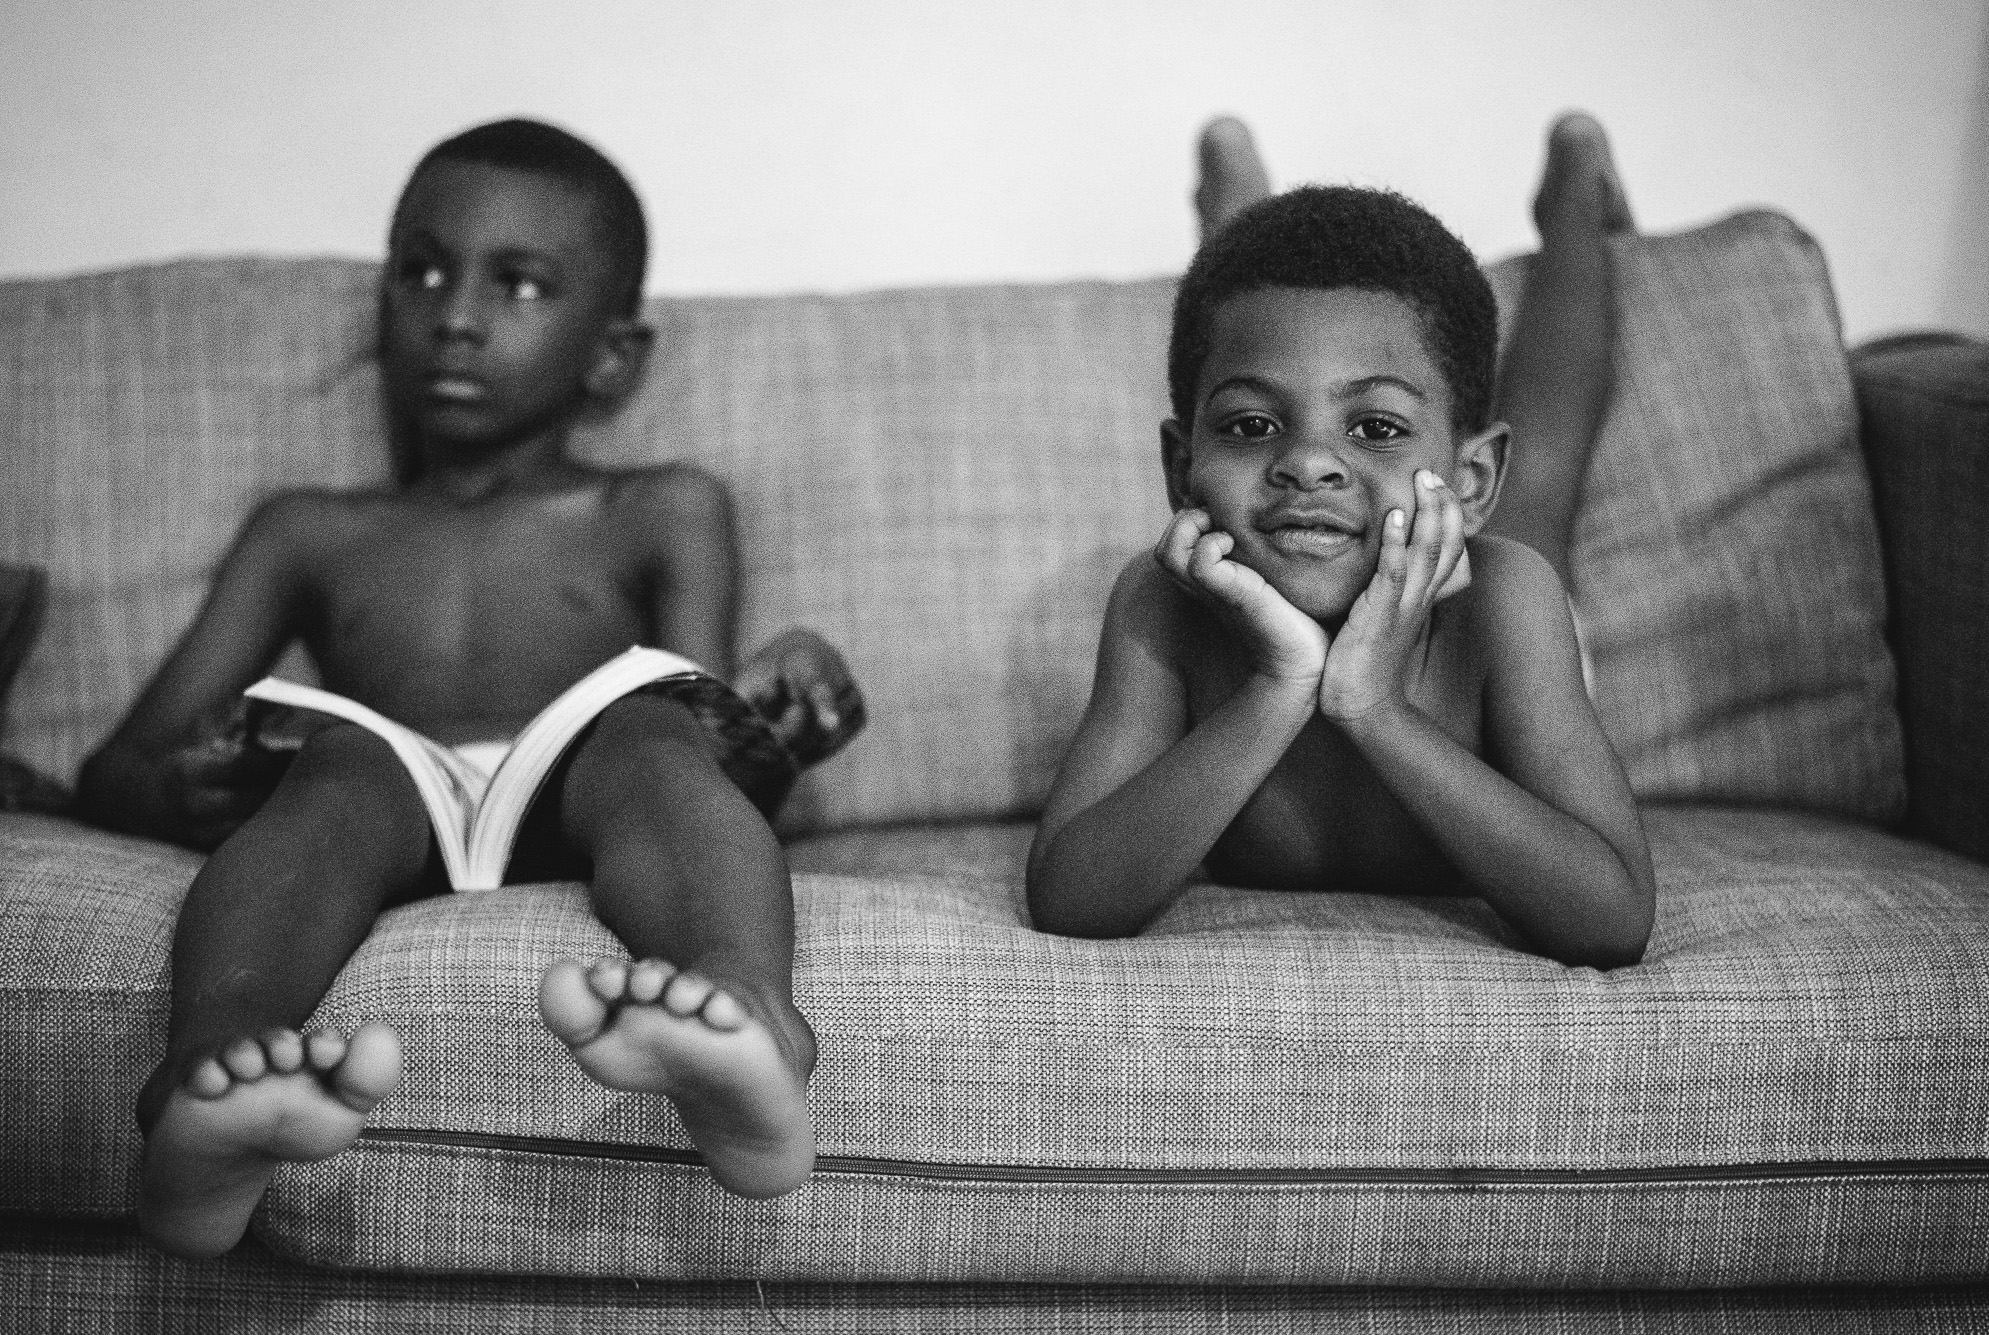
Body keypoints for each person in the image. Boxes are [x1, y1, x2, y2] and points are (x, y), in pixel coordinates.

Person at [77, 119, 864, 1258]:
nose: (455, 313)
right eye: (424, 271)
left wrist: (780, 721)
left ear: (612, 359)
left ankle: (751, 1028)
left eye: (522, 285)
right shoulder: (308, 530)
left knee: (648, 728)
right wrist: (176, 791)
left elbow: (712, 754)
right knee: (340, 760)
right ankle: (209, 1091)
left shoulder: (663, 507)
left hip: (585, 791)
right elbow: (120, 765)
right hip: (393, 794)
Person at [1026, 113, 1655, 965]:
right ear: (1183, 470)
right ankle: (1239, 216)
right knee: (1255, 325)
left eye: (1376, 426)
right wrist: (1280, 681)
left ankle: (1575, 203)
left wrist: (1375, 707)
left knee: (1539, 492)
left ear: (1468, 482)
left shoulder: (1505, 603)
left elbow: (1612, 919)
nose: (1310, 462)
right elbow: (1069, 896)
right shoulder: (1160, 607)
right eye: (1251, 425)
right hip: (1294, 607)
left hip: (1466, 586)